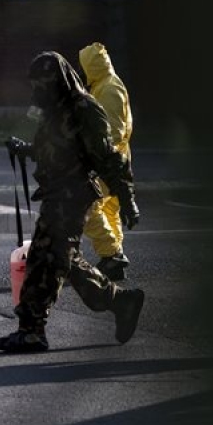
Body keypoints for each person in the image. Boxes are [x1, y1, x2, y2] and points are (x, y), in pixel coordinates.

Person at [0, 51, 144, 353]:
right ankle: (120, 301)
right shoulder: (54, 109)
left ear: (60, 80)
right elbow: (52, 150)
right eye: (35, 84)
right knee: (66, 261)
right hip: (56, 193)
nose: (38, 91)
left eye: (43, 84)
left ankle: (32, 330)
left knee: (43, 259)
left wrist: (127, 199)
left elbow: (108, 159)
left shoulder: (84, 109)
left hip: (74, 195)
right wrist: (24, 150)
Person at [79, 42, 133, 281]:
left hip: (105, 160)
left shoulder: (109, 89)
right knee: (108, 208)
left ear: (92, 66)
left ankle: (111, 254)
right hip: (113, 159)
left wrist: (91, 151)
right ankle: (114, 255)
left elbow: (111, 131)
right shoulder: (104, 85)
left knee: (88, 205)